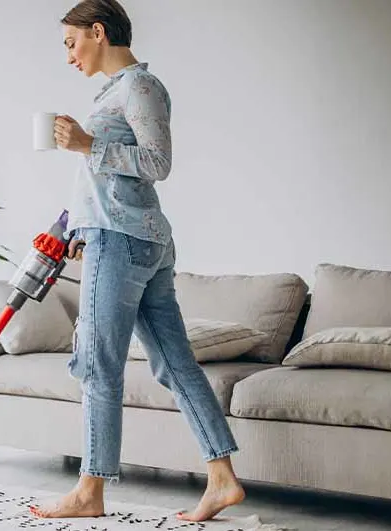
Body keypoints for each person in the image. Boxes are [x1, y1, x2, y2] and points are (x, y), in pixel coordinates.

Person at [29, 0, 246, 522]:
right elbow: (109, 182)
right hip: (125, 238)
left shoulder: (140, 87)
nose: (68, 55)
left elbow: (157, 162)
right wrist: (80, 229)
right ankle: (222, 479)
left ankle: (89, 491)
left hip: (123, 242)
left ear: (97, 32)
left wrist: (87, 144)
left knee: (97, 363)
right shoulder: (113, 92)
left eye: (71, 43)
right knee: (174, 363)